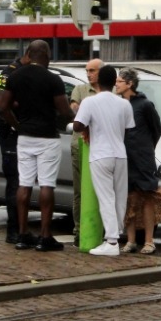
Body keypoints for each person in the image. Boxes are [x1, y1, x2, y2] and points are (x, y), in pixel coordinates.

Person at [0, 40, 74, 251]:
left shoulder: (15, 77)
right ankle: (45, 236)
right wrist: (79, 117)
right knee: (46, 184)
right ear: (47, 56)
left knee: (24, 184)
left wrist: (18, 126)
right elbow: (64, 112)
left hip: (25, 137)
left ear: (29, 55)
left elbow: (3, 108)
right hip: (47, 137)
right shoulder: (53, 79)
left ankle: (22, 236)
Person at [72, 66, 135, 256]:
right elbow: (127, 130)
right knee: (119, 197)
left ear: (98, 81)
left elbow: (77, 126)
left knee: (106, 198)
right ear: (114, 82)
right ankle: (117, 236)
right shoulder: (124, 104)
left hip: (100, 154)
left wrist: (85, 126)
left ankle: (112, 242)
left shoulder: (90, 102)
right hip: (120, 154)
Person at [115, 68, 161, 255]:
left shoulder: (145, 105)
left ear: (129, 84)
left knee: (146, 198)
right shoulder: (118, 105)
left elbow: (156, 130)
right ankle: (131, 240)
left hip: (142, 159)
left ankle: (149, 241)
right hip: (124, 159)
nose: (116, 84)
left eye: (119, 81)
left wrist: (145, 149)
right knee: (128, 200)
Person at [0, 53, 34, 243]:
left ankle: (21, 228)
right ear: (27, 56)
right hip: (10, 132)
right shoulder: (8, 73)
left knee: (23, 181)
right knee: (15, 182)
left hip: (22, 132)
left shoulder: (26, 73)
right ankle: (13, 230)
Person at [69, 58, 102, 247]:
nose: (89, 74)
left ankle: (102, 229)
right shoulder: (80, 90)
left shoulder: (112, 91)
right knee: (80, 190)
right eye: (87, 70)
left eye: (93, 70)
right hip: (81, 145)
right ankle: (79, 230)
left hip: (103, 147)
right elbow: (76, 111)